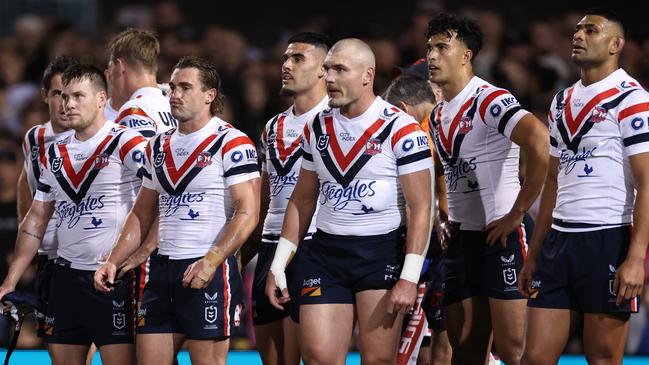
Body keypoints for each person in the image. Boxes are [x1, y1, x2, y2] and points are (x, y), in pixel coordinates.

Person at [266, 38, 434, 364]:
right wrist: (278, 264)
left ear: (367, 75)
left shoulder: (402, 129)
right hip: (325, 255)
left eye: (339, 69)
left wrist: (409, 277)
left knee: (378, 360)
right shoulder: (317, 127)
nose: (329, 78)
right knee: (317, 357)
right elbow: (302, 200)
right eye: (327, 69)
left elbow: (421, 207)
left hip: (381, 253)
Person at [94, 55, 260, 365]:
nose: (175, 95)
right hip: (162, 269)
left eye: (185, 87)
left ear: (210, 95)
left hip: (208, 267)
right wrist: (114, 260)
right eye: (172, 87)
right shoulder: (158, 145)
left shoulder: (231, 142)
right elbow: (142, 213)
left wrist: (212, 261)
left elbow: (247, 212)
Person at [519, 8, 649, 364]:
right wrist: (535, 252)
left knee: (602, 358)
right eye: (577, 30)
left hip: (607, 240)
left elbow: (647, 183)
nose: (578, 36)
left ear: (616, 44)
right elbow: (552, 180)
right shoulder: (561, 100)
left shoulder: (632, 98)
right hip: (558, 242)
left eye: (591, 30)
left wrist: (636, 258)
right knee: (533, 358)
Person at [425, 13, 549, 364]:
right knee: (463, 349)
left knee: (513, 349)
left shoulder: (490, 100)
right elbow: (444, 169)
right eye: (429, 48)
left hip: (501, 234)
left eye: (442, 47)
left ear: (466, 55)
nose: (432, 56)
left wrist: (518, 213)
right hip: (463, 239)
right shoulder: (437, 115)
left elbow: (540, 143)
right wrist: (443, 213)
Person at [0, 64, 145, 365]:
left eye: (79, 96)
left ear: (102, 99)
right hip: (64, 277)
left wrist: (142, 252)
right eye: (65, 97)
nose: (69, 104)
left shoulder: (126, 142)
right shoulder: (54, 152)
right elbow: (35, 221)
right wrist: (10, 280)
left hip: (113, 278)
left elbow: (158, 198)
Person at [251, 32, 331, 365]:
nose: (286, 65)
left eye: (298, 59)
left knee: (311, 355)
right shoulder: (272, 127)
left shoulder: (336, 121)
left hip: (312, 245)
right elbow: (266, 194)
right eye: (285, 58)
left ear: (324, 70)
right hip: (270, 244)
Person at [384, 73, 452, 365]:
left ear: (402, 108)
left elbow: (433, 204)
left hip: (430, 253)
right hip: (440, 251)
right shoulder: (450, 123)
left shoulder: (420, 134)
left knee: (409, 352)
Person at [14, 55, 78, 339]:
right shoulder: (34, 138)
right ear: (44, 96)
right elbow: (25, 186)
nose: (65, 104)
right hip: (49, 258)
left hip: (90, 259)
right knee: (59, 346)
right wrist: (27, 239)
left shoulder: (105, 138)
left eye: (72, 95)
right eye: (57, 94)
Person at [106, 28, 177, 137]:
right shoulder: (177, 102)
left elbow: (143, 154)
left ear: (120, 67)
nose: (109, 75)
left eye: (111, 67)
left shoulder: (134, 109)